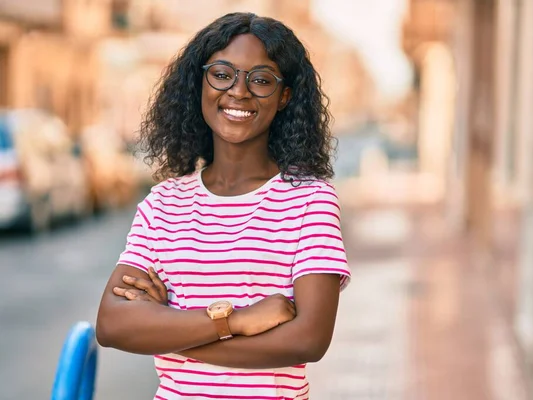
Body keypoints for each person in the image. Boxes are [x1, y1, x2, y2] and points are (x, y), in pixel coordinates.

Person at [96, 12, 351, 400]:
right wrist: (238, 320)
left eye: (261, 80)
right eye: (222, 74)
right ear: (200, 83)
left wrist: (169, 333)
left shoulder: (309, 200)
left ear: (284, 97)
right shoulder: (163, 203)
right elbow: (113, 324)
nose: (239, 91)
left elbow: (309, 339)